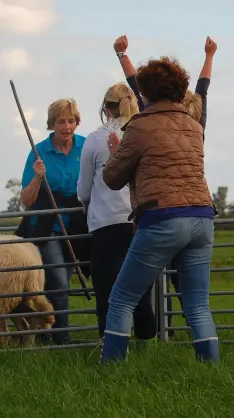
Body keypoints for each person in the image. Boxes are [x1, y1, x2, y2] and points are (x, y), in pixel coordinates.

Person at [100, 56, 219, 363]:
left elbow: (113, 178)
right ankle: (211, 368)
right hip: (202, 217)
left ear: (146, 92)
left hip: (162, 217)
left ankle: (111, 370)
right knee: (197, 304)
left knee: (122, 298)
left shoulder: (140, 127)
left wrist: (116, 153)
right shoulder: (194, 126)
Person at [76, 83, 158, 345]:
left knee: (107, 285)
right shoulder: (144, 134)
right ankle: (147, 339)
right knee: (140, 282)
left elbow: (84, 187)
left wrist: (85, 203)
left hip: (106, 222)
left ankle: (111, 343)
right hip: (139, 220)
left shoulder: (96, 139)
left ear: (105, 108)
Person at [16, 98, 86, 346]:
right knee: (58, 279)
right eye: (60, 122)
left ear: (77, 122)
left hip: (79, 225)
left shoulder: (85, 147)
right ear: (51, 124)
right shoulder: (38, 153)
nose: (66, 126)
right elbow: (26, 200)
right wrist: (37, 177)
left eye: (71, 121)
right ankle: (61, 336)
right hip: (50, 226)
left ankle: (46, 327)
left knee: (64, 277)